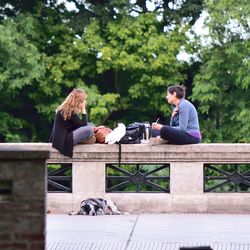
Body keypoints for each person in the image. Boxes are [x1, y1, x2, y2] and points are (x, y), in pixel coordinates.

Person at [49, 88, 95, 158]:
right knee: (89, 130)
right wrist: (83, 109)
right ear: (78, 101)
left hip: (63, 136)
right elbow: (83, 125)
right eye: (82, 101)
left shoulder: (66, 108)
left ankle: (87, 138)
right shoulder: (68, 111)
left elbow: (80, 124)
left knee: (91, 125)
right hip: (63, 140)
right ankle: (87, 138)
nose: (83, 103)